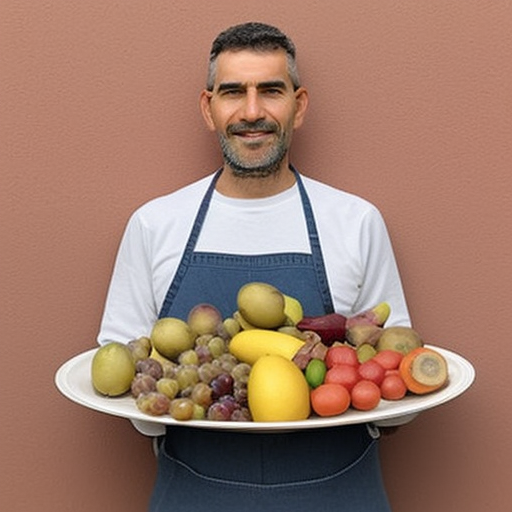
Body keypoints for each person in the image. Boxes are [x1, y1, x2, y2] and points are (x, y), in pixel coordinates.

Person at [98, 22, 411, 512]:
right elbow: (122, 375)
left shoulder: (355, 222)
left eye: (270, 91)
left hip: (339, 492)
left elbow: (396, 380)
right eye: (232, 92)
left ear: (298, 105)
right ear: (208, 108)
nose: (251, 112)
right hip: (195, 493)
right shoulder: (155, 224)